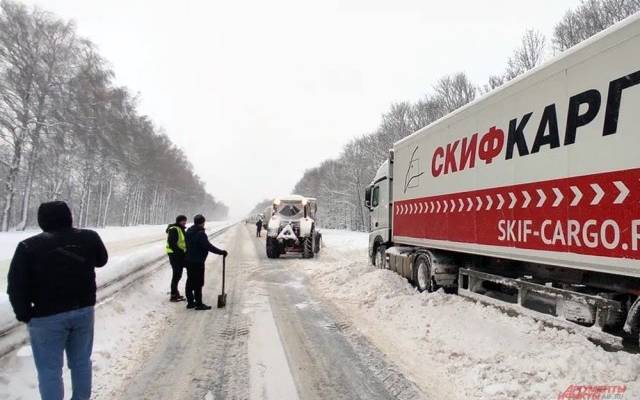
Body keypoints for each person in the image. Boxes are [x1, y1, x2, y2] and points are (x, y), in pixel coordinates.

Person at [7, 201, 108, 400]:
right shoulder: (88, 237)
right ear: (69, 217)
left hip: (46, 317)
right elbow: (101, 260)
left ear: (41, 221)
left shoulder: (28, 246)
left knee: (49, 370)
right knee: (81, 363)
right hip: (83, 310)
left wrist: (24, 313)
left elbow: (16, 285)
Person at [184, 214, 227, 310]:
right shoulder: (200, 234)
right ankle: (199, 304)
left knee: (190, 281)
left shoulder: (189, 232)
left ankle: (190, 302)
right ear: (202, 223)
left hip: (189, 260)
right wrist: (221, 252)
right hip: (197, 261)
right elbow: (208, 246)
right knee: (198, 283)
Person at [165, 215, 187, 302]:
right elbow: (172, 244)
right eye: (182, 221)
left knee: (178, 274)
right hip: (174, 255)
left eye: (185, 220)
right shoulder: (174, 229)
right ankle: (173, 295)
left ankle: (175, 293)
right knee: (176, 274)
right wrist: (180, 252)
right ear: (178, 221)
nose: (184, 222)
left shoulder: (180, 228)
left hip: (179, 255)